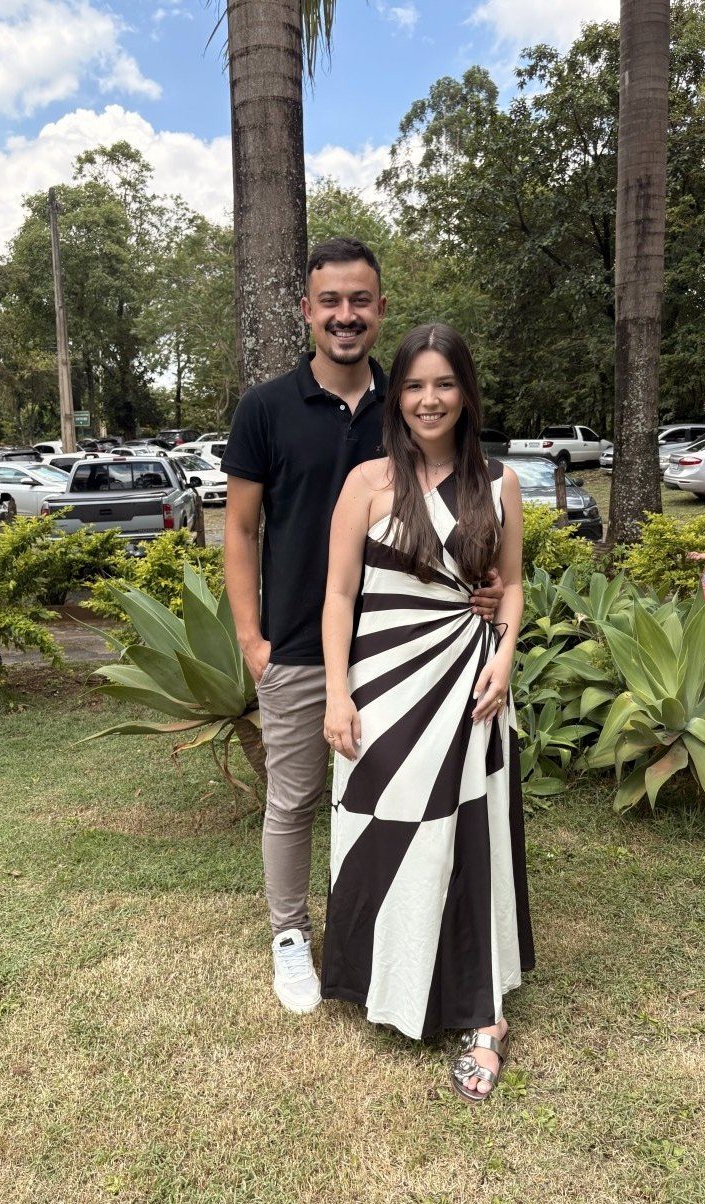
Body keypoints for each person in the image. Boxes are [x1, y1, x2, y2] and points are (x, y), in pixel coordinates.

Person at [222, 240, 503, 1017]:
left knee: (389, 800)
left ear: (380, 309)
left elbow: (460, 502)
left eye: (359, 301)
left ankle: (387, 930)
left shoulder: (409, 401)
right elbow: (239, 531)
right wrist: (252, 640)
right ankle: (288, 934)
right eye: (330, 301)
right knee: (294, 798)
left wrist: (480, 588)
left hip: (400, 657)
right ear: (306, 311)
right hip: (297, 645)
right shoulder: (265, 409)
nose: (344, 315)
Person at [320, 322, 534, 1101]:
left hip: (469, 682)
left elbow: (511, 585)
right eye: (413, 385)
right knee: (383, 826)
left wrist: (504, 655)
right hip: (381, 684)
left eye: (444, 383)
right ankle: (390, 974)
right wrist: (336, 691)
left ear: (465, 393)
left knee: (467, 837)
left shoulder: (499, 482)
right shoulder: (367, 482)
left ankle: (484, 1014)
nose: (428, 399)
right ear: (396, 396)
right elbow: (338, 594)